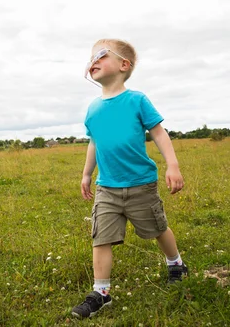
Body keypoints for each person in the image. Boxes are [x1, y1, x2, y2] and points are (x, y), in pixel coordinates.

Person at [72, 38, 187, 319]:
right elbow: (94, 143)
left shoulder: (137, 100)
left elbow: (158, 133)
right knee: (101, 238)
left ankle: (176, 263)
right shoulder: (93, 109)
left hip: (140, 184)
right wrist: (87, 173)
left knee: (158, 228)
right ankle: (101, 292)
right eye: (90, 58)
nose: (92, 62)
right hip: (107, 188)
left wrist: (172, 165)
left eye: (100, 55)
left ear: (124, 65)